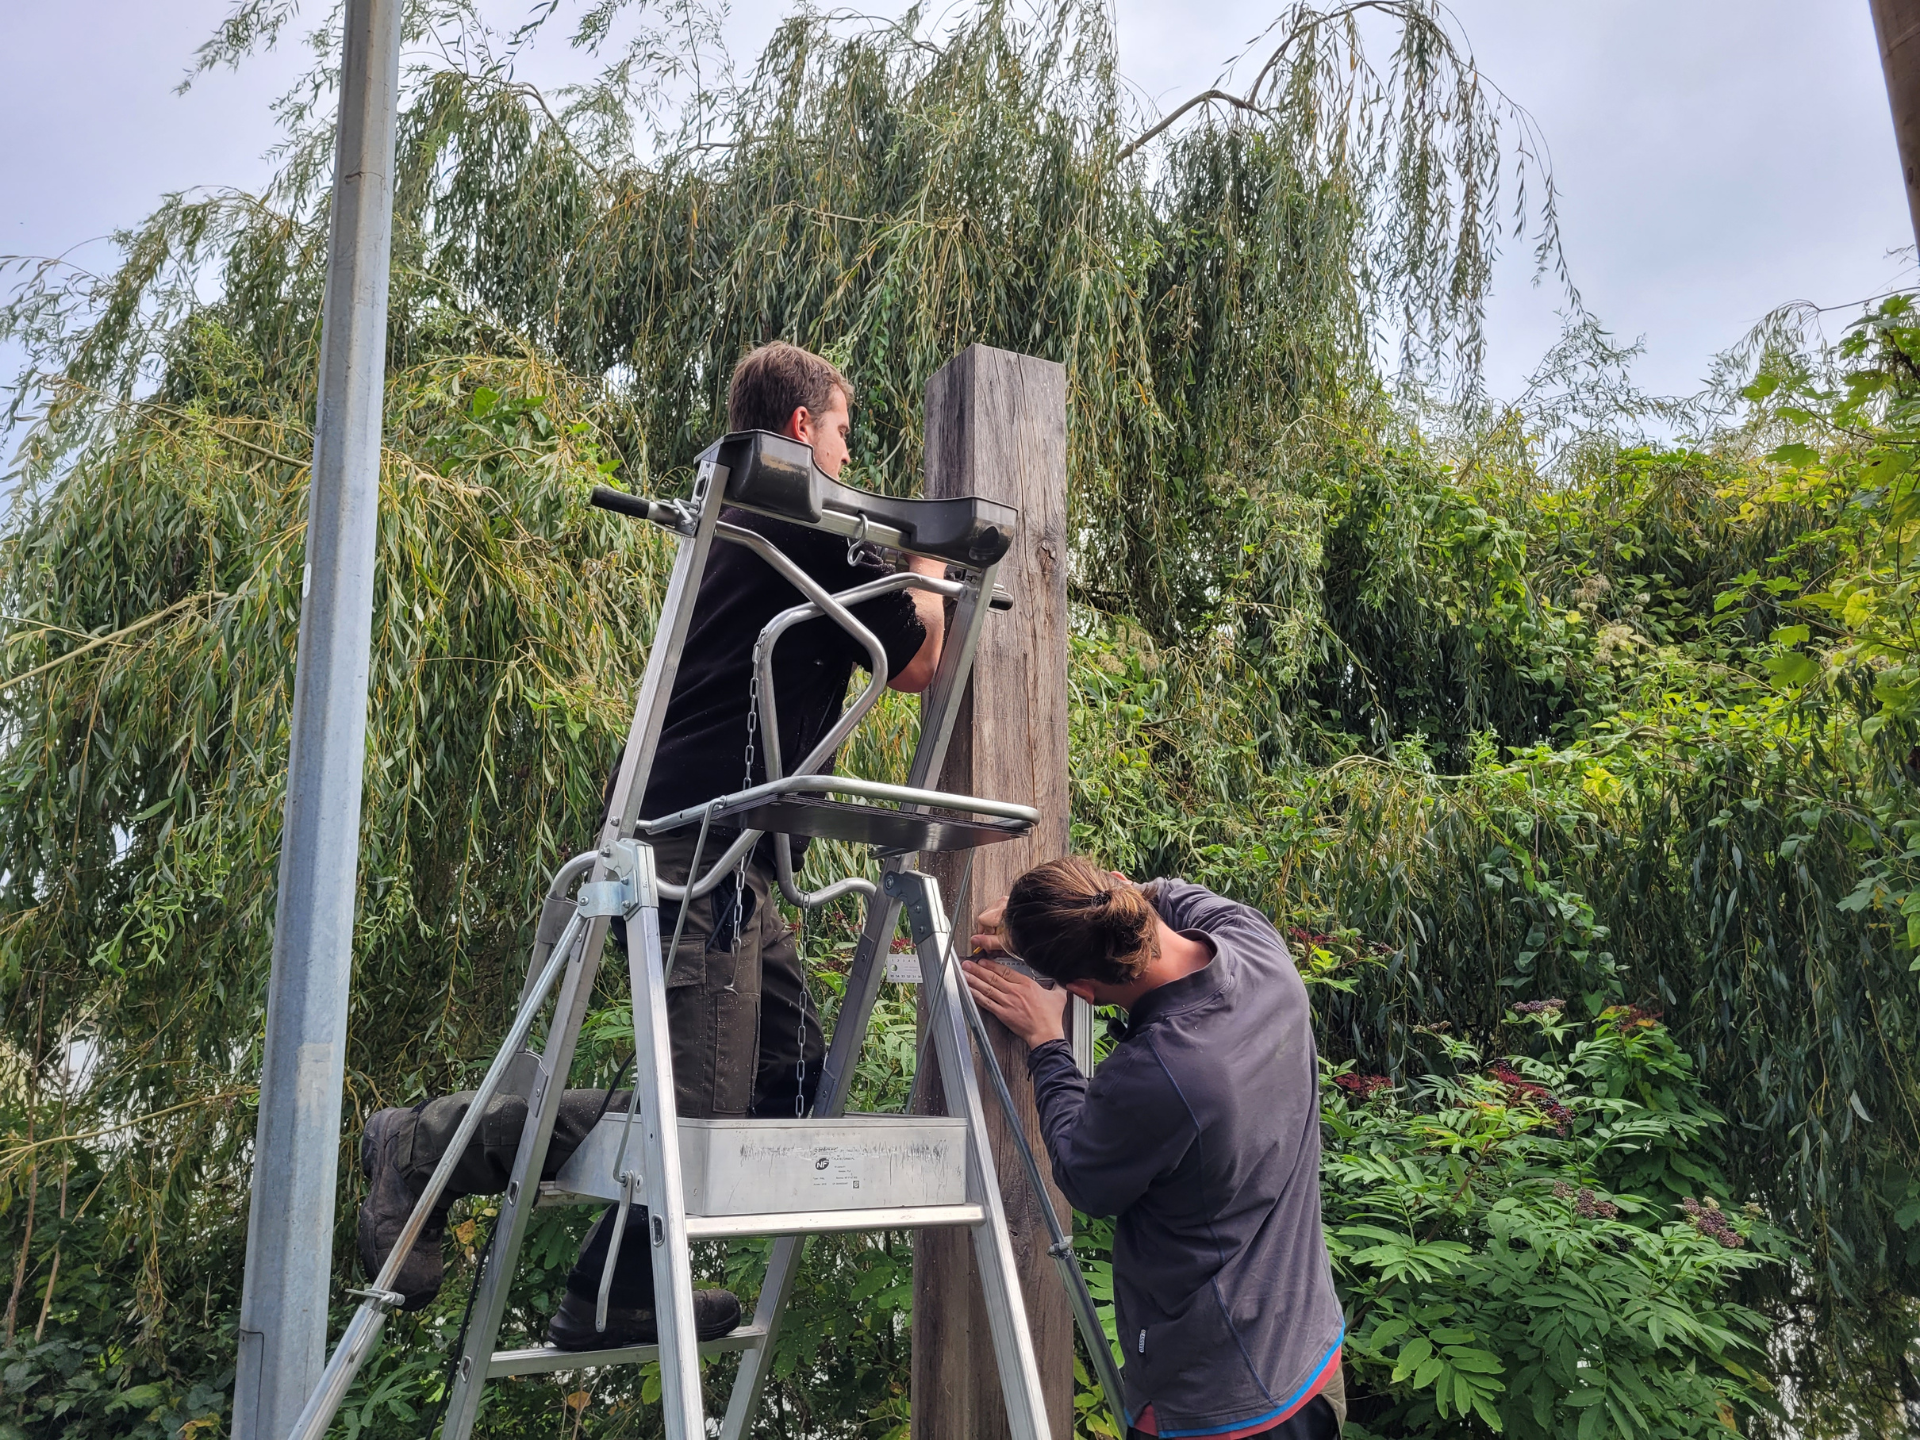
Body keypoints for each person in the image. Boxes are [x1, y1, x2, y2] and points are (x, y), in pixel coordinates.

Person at [355, 342, 948, 1349]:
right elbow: (919, 662)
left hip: (732, 850)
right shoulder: (802, 514)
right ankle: (424, 1146)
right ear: (802, 427)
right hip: (696, 846)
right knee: (699, 1113)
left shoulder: (758, 517)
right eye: (845, 431)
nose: (851, 456)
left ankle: (612, 1285)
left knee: (786, 1083)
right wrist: (930, 564)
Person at [961, 857, 1346, 1440]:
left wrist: (1047, 1043)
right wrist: (1046, 916)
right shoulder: (1257, 947)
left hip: (1217, 1400)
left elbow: (1085, 1178)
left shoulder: (1160, 1071)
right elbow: (1167, 892)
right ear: (1122, 890)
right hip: (1309, 1352)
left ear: (1081, 990)